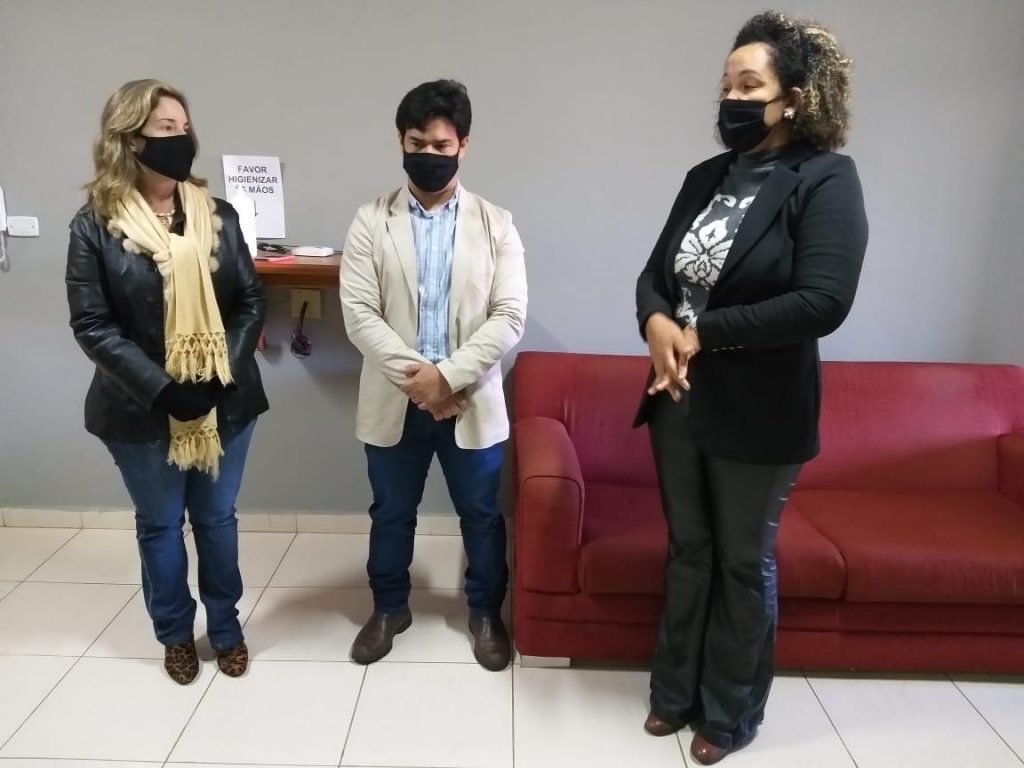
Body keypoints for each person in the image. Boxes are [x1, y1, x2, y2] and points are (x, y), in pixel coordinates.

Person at [634, 11, 868, 765]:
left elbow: (822, 301)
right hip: (676, 396)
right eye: (726, 85)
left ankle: (730, 715)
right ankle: (673, 692)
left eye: (749, 86)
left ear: (793, 98)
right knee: (688, 550)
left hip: (761, 409)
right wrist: (657, 322)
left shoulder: (825, 178)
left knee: (741, 561)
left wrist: (702, 332)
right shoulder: (705, 177)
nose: (731, 99)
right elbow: (655, 274)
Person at [66, 79, 268, 685]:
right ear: (130, 139)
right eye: (166, 129)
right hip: (140, 410)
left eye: (185, 128)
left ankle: (226, 628)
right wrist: (164, 390)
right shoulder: (94, 225)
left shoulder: (218, 216)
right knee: (159, 525)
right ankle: (175, 634)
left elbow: (250, 300)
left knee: (217, 521)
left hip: (224, 401)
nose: (183, 139)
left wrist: (222, 371)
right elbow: (92, 324)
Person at [340, 79, 527, 671]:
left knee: (482, 515)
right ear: (401, 140)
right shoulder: (371, 220)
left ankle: (484, 612)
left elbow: (509, 317)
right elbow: (359, 314)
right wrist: (420, 382)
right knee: (391, 513)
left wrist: (445, 379)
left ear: (463, 145)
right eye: (417, 143)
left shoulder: (497, 223)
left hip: (469, 399)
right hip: (395, 399)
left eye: (441, 144)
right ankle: (389, 608)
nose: (428, 154)